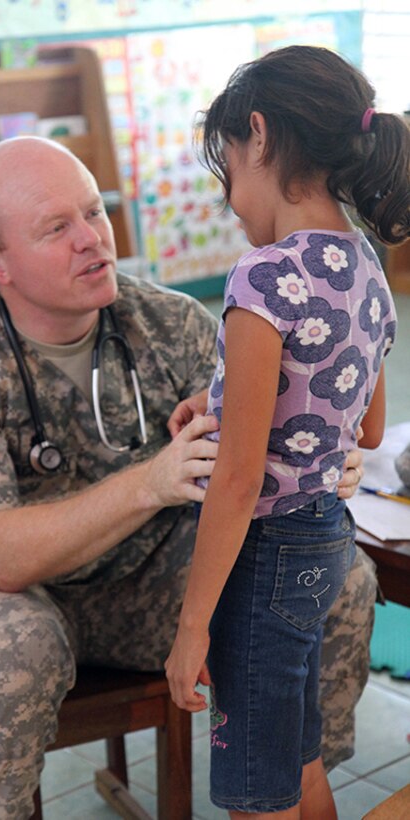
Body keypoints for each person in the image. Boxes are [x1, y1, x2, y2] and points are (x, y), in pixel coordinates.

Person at [0, 136, 370, 820]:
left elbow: (257, 447)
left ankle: (292, 778)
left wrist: (323, 459)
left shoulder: (169, 321)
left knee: (330, 575)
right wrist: (152, 481)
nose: (93, 240)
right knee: (9, 650)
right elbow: (1, 558)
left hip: (143, 579)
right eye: (57, 228)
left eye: (95, 212)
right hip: (2, 596)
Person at [165, 45, 409, 819]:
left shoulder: (262, 278)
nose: (230, 200)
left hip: (261, 555)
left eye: (226, 167)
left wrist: (190, 627)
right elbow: (361, 426)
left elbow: (236, 480)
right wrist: (219, 401)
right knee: (296, 762)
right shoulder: (366, 263)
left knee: (253, 796)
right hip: (322, 544)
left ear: (259, 137)